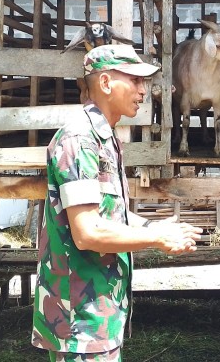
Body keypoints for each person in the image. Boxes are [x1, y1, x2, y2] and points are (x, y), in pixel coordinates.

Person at [32, 44, 202, 362]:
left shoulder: (105, 138)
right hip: (79, 321)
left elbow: (113, 214)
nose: (142, 90)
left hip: (101, 313)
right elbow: (87, 232)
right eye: (135, 80)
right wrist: (156, 239)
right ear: (107, 83)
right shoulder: (79, 139)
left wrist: (157, 226)